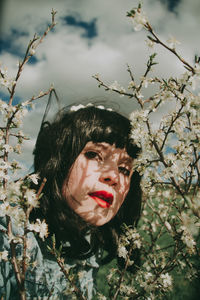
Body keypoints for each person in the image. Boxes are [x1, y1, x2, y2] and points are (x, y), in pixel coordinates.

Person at [0, 103, 142, 299]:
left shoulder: (92, 239)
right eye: (94, 155)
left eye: (125, 169)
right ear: (59, 159)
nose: (114, 176)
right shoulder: (8, 236)